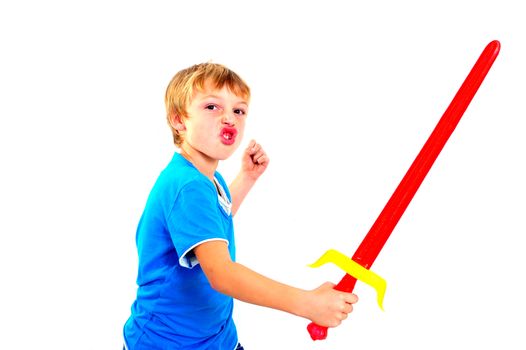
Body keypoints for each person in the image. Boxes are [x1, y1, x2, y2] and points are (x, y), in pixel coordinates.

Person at [123, 62, 358, 349]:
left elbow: (210, 223)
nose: (229, 119)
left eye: (239, 110)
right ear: (179, 121)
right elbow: (221, 273)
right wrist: (307, 303)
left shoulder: (207, 177)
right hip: (170, 343)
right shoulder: (189, 187)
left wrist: (246, 178)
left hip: (216, 339)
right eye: (212, 107)